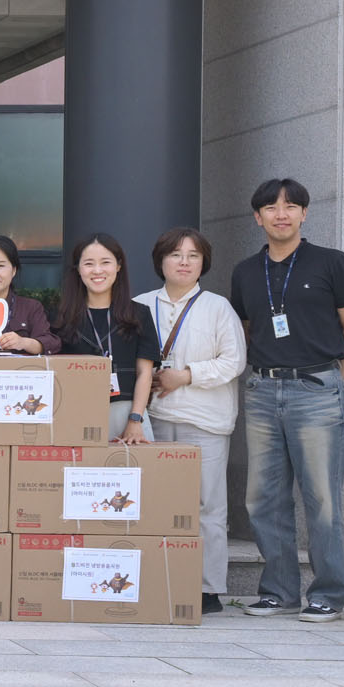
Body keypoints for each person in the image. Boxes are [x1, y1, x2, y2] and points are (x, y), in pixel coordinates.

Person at [231, 178, 344, 622]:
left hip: (316, 389)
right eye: (271, 207)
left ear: (304, 213)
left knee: (321, 497)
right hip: (263, 390)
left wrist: (332, 380)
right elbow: (246, 330)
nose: (281, 214)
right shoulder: (245, 271)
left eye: (291, 206)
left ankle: (328, 593)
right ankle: (279, 591)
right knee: (263, 497)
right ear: (258, 217)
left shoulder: (331, 262)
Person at [136, 226, 246, 616]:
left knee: (207, 506)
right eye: (175, 255)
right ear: (160, 261)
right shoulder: (140, 304)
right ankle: (153, 581)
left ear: (204, 263)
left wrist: (186, 375)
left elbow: (234, 361)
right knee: (152, 504)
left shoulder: (218, 307)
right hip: (152, 420)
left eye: (193, 256)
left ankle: (207, 588)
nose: (184, 262)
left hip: (204, 421)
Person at [56, 232, 157, 443]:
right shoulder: (60, 318)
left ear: (118, 266)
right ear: (78, 269)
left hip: (127, 414)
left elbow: (145, 373)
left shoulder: (139, 314)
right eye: (89, 263)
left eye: (105, 262)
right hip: (76, 413)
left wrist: (135, 419)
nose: (97, 270)